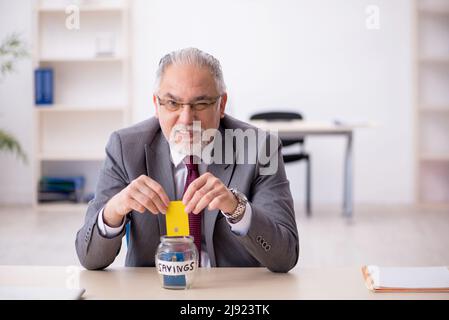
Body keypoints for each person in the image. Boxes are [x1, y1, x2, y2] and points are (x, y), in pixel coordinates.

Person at [75, 48, 299, 273]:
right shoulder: (124, 148)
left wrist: (237, 209)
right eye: (172, 103)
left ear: (221, 105)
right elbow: (89, 258)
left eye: (200, 104)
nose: (186, 119)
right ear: (156, 104)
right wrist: (114, 210)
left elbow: (285, 256)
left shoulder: (261, 148)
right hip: (154, 291)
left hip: (234, 293)